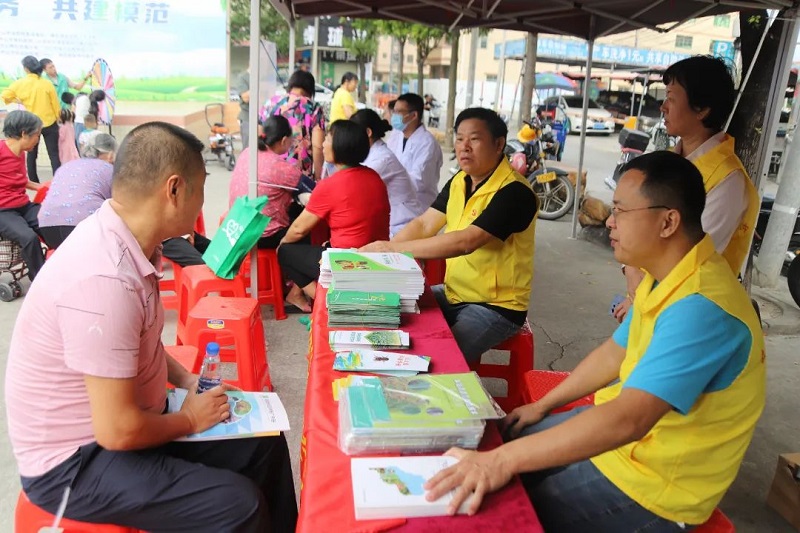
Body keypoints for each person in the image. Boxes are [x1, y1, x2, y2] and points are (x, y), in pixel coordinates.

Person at [423, 151, 766, 532]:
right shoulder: (670, 275)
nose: (610, 222)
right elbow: (617, 351)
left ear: (668, 221)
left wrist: (501, 463)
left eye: (621, 211)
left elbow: (629, 420)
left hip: (655, 483)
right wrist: (543, 407)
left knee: (496, 501)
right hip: (628, 442)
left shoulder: (702, 307)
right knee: (496, 444)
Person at [5, 121, 297, 531]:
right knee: (237, 505)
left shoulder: (129, 243)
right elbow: (118, 431)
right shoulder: (103, 277)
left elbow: (139, 344)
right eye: (199, 188)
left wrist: (187, 381)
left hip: (125, 425)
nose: (201, 203)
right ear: (174, 189)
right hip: (76, 465)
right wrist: (191, 420)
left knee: (263, 443)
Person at [361, 108, 537, 363]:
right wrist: (382, 251)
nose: (464, 147)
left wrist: (392, 250)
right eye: (459, 138)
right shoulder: (460, 180)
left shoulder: (514, 192)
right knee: (385, 311)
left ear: (499, 144)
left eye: (474, 139)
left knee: (434, 361)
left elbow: (466, 242)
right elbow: (424, 224)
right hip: (455, 292)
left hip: (497, 307)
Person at [615, 55, 759, 322]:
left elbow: (686, 259)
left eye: (671, 97)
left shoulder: (728, 180)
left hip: (692, 312)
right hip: (650, 301)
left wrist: (635, 285)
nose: (663, 107)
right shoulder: (671, 159)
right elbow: (634, 231)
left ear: (702, 109)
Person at [278, 120, 390, 307]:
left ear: (340, 145)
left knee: (285, 252)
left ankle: (329, 304)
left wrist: (283, 242)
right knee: (319, 242)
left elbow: (298, 229)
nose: (322, 143)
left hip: (347, 263)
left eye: (328, 138)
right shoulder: (374, 177)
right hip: (377, 256)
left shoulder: (330, 185)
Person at [351, 109, 424, 236]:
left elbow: (353, 187)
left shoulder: (382, 160)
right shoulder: (372, 154)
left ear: (368, 132)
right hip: (392, 223)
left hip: (402, 226)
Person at [38, 133, 117, 249]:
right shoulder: (110, 169)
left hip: (47, 227)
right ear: (110, 154)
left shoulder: (66, 166)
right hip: (82, 227)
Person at [0, 110, 46, 280]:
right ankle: (41, 282)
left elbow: (20, 180)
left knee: (51, 221)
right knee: (29, 238)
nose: (38, 139)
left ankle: (57, 266)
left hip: (23, 206)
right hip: (3, 211)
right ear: (24, 133)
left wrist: (44, 187)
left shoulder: (21, 153)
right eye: (37, 135)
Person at [1, 56, 61, 182]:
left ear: (26, 69)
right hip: (50, 122)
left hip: (31, 125)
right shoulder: (46, 83)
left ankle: (34, 181)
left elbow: (4, 96)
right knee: (54, 154)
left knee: (31, 154)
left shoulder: (20, 83)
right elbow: (55, 105)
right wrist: (58, 118)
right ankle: (58, 181)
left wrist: (17, 100)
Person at [261, 70, 326, 180]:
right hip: (299, 177)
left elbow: (259, 133)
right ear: (310, 89)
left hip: (269, 171)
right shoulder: (313, 108)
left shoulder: (271, 103)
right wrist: (319, 177)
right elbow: (318, 146)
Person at [387, 93, 444, 209]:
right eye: (394, 111)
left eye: (399, 112)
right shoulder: (396, 135)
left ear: (413, 115)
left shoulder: (427, 144)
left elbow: (418, 181)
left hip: (419, 207)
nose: (394, 116)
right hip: (396, 204)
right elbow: (386, 160)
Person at [234, 67, 251, 150]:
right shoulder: (243, 77)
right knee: (248, 149)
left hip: (263, 118)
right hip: (248, 117)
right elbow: (245, 97)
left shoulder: (265, 77)